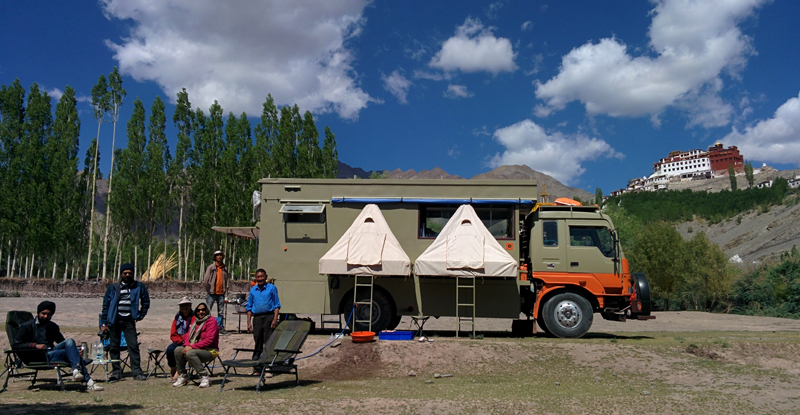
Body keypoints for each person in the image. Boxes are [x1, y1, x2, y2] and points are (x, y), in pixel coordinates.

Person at [13, 301, 104, 391]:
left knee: (69, 341)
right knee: (73, 353)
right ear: (38, 313)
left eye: (48, 314)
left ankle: (76, 371)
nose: (45, 316)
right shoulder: (27, 326)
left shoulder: (52, 327)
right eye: (43, 313)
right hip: (37, 356)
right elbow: (16, 345)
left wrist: (75, 350)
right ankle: (89, 382)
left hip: (51, 352)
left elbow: (63, 342)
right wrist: (35, 345)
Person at [100, 263, 150, 381]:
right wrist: (103, 323)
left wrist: (141, 314)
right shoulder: (113, 288)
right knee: (114, 347)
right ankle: (116, 372)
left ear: (133, 274)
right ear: (121, 274)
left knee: (133, 346)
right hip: (114, 320)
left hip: (129, 321)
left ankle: (137, 372)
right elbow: (105, 305)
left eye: (130, 273)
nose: (127, 275)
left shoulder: (139, 286)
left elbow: (146, 301)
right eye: (125, 273)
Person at [172, 303, 220, 388]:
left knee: (190, 353)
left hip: (210, 350)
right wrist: (186, 345)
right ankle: (183, 376)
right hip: (196, 348)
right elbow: (188, 337)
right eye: (198, 310)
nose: (201, 312)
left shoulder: (212, 321)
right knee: (177, 350)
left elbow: (208, 341)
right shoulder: (195, 322)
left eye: (203, 310)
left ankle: (204, 377)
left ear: (207, 310)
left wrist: (192, 347)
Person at [246, 269, 281, 366]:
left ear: (266, 277)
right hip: (257, 318)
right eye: (258, 277)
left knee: (269, 341)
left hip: (269, 316)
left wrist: (275, 319)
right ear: (255, 278)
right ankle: (257, 366)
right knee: (258, 340)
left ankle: (268, 366)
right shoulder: (253, 290)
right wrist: (249, 322)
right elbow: (249, 307)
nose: (260, 279)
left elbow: (276, 305)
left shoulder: (272, 288)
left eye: (262, 276)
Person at [167, 297, 194, 381]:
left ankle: (179, 372)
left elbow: (192, 331)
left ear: (190, 306)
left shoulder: (194, 317)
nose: (184, 307)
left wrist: (183, 339)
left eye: (186, 305)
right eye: (182, 305)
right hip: (179, 340)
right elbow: (173, 333)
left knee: (180, 351)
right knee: (169, 350)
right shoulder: (177, 318)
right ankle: (173, 368)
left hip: (191, 341)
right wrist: (179, 340)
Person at [202, 250, 228, 332]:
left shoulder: (225, 268)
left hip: (221, 293)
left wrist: (226, 290)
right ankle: (207, 327)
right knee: (208, 311)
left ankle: (221, 327)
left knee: (221, 312)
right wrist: (208, 290)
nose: (219, 257)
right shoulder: (211, 267)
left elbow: (227, 280)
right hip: (212, 293)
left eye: (220, 255)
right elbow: (205, 280)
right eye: (217, 255)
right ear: (215, 257)